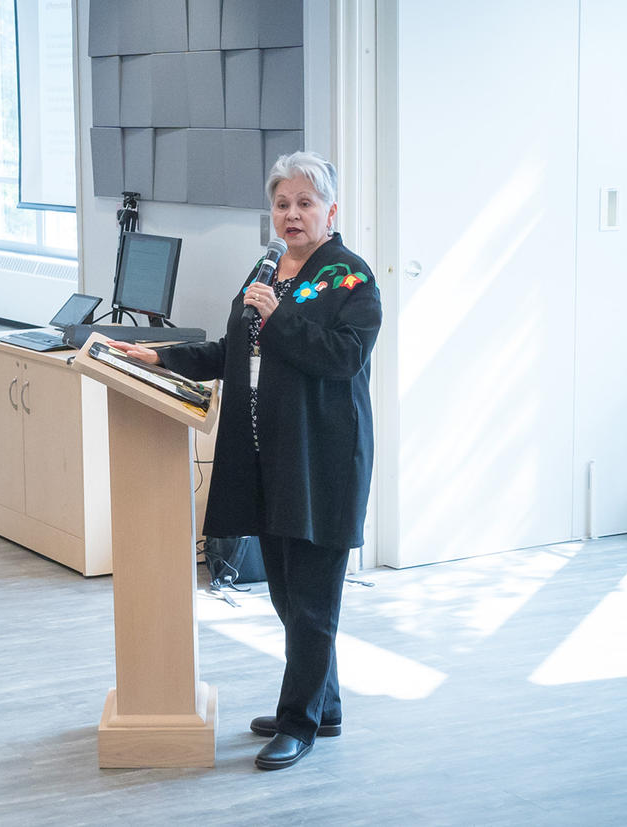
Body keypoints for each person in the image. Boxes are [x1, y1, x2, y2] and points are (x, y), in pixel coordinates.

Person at [109, 150, 381, 772]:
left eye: (304, 203)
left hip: (322, 463)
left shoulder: (349, 278)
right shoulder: (266, 266)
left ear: (330, 211)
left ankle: (299, 722)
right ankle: (325, 704)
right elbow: (236, 349)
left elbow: (342, 358)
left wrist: (279, 316)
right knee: (286, 593)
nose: (291, 214)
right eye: (282, 203)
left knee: (311, 599)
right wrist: (165, 357)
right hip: (266, 456)